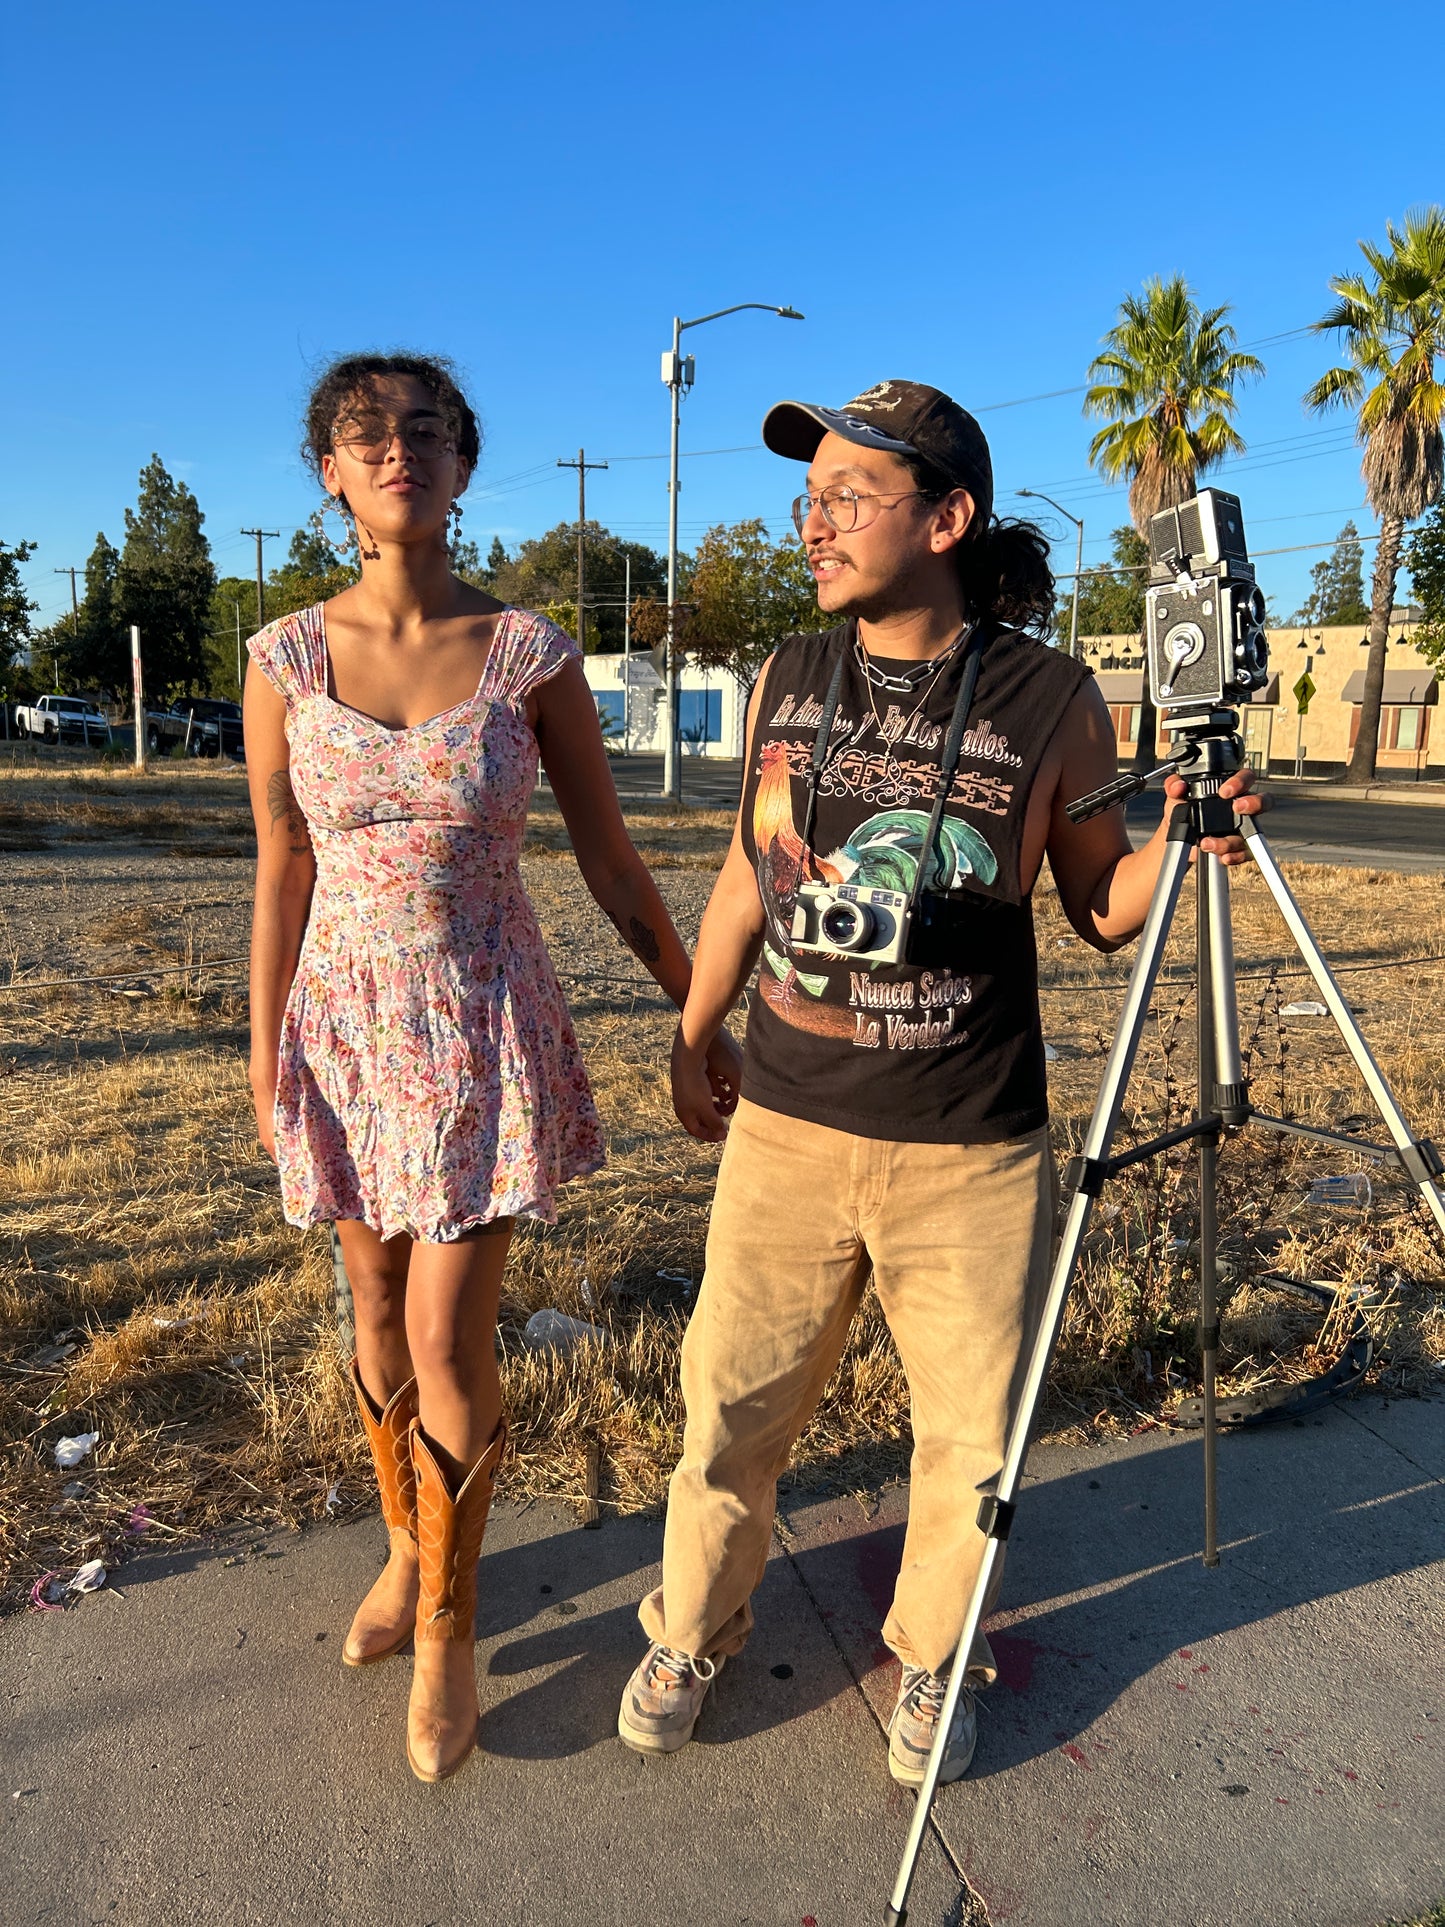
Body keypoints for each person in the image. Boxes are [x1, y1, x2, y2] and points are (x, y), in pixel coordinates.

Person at [617, 379, 1261, 1783]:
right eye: (808, 498)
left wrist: (1179, 841)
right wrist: (693, 1027)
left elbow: (1097, 906)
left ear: (947, 517)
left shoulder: (1049, 695)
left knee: (968, 1440)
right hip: (787, 1124)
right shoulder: (790, 673)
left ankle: (932, 1656)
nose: (813, 524)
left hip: (969, 1146)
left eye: (848, 496)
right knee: (726, 1411)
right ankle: (692, 1628)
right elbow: (750, 871)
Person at [245, 351, 738, 1783]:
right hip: (344, 1029)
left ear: (462, 464)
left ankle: (449, 1630)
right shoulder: (282, 660)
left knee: (449, 1333)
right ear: (329, 474)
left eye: (426, 430)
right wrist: (263, 1048)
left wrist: (692, 1010)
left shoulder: (530, 656)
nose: (396, 450)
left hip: (480, 1025)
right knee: (372, 1306)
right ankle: (410, 1550)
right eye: (365, 433)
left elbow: (607, 856)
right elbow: (281, 865)